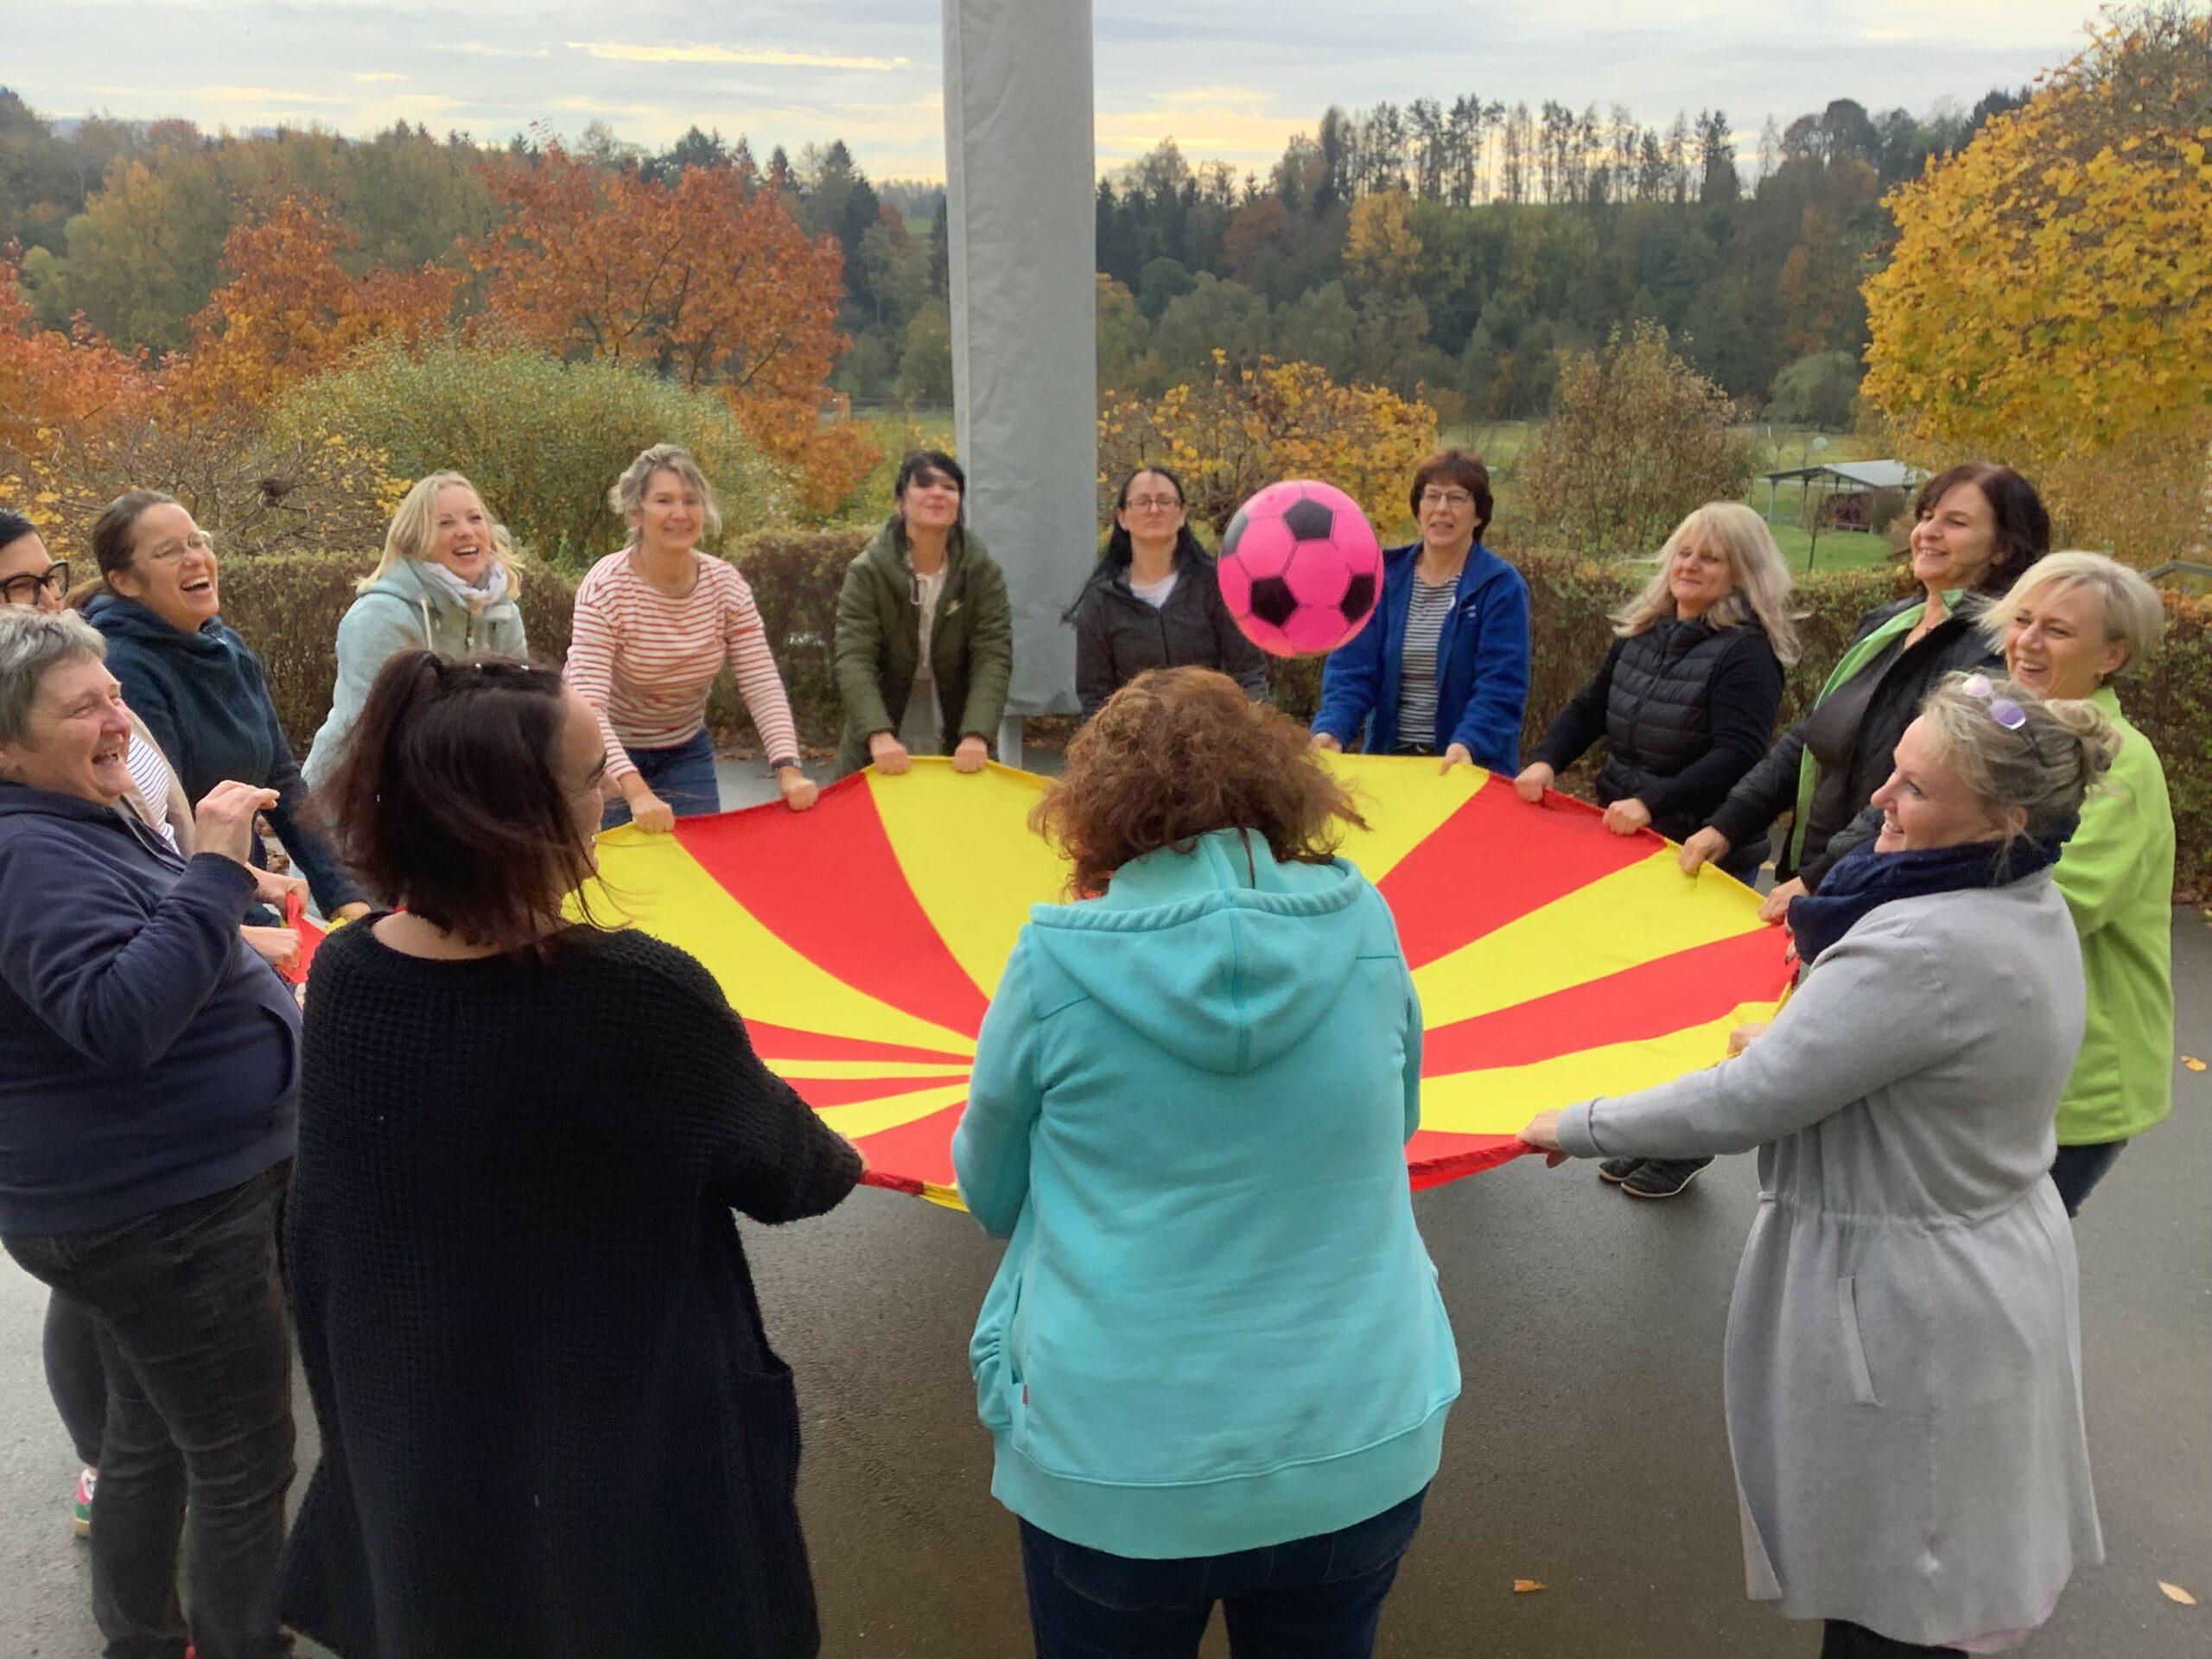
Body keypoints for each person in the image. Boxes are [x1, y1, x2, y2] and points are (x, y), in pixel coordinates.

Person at [275, 651, 864, 1658]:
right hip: (620, 1472)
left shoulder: (345, 978)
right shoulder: (640, 994)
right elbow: (800, 1175)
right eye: (597, 776)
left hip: (428, 1468)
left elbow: (325, 1240)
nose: (615, 796)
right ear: (520, 819)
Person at [1522, 672, 2113, 1658]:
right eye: (1894, 770)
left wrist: (1574, 1122)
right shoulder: (2016, 894)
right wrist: (1807, 1039)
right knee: (1931, 1552)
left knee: (1898, 1577)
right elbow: (1915, 1048)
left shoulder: (1920, 942)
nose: (1881, 796)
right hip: (1980, 1259)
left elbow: (1746, 1103)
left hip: (1911, 1299)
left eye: (1915, 788)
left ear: (2004, 816)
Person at [955, 666, 1458, 1659]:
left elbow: (991, 1192)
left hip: (1115, 1464)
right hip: (1360, 1435)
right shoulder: (1365, 922)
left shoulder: (1054, 961)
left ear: (1095, 814)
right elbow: (1396, 1122)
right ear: (1279, 785)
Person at [0, 606, 301, 1659]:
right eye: (83, 708)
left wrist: (229, 908)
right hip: (161, 1212)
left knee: (152, 1433)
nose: (119, 720)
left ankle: (140, 1637)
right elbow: (119, 1018)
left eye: (116, 694)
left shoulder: (66, 815)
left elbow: (137, 941)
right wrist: (213, 868)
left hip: (152, 1201)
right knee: (242, 1460)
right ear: (7, 748)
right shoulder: (25, 849)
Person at [1516, 502, 1799, 1198]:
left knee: (1695, 1008)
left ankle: (1684, 1145)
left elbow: (1739, 755)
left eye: (1710, 557)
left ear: (1742, 573)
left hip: (1699, 854)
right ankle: (1644, 1126)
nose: (1689, 566)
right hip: (1628, 845)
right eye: (1684, 552)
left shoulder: (1746, 654)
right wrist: (1547, 759)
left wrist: (1656, 800)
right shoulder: (1644, 634)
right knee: (1637, 998)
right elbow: (1589, 707)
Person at [1680, 462, 2048, 919]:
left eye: (1955, 522)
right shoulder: (1887, 626)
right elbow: (1811, 735)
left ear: (2002, 549)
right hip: (1818, 869)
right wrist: (1729, 822)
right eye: (1926, 516)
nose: (1928, 532)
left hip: (1884, 892)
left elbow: (1925, 782)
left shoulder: (1994, 655)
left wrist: (1822, 876)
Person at [78, 490, 368, 923]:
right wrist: (258, 923)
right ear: (125, 582)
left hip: (247, 888)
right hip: (192, 905)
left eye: (197, 542)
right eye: (169, 552)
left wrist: (345, 899)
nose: (195, 558)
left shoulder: (225, 645)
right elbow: (168, 830)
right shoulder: (125, 668)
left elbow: (281, 782)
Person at [1988, 552, 2175, 1215]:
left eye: (2058, 630)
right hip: (2002, 1060)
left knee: (2002, 1261)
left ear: (2111, 656)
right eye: (2023, 620)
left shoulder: (2121, 762)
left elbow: (2053, 907)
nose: (2027, 642)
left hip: (2075, 1081)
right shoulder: (2006, 721)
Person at [566, 443, 817, 830]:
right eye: (664, 500)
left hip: (684, 748)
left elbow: (761, 681)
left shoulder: (725, 585)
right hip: (604, 752)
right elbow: (588, 703)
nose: (680, 513)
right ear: (636, 512)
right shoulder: (605, 589)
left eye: (691, 500)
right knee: (616, 863)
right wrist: (636, 792)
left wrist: (788, 769)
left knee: (701, 856)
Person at [301, 470, 528, 786]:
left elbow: (518, 711)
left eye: (475, 518)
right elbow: (379, 734)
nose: (466, 532)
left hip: (461, 786)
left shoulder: (502, 611)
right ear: (414, 540)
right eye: (445, 523)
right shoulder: (378, 616)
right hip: (361, 789)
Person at [1310, 449, 1529, 773]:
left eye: (1457, 498)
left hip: (1468, 769)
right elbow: (1353, 671)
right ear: (1418, 507)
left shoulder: (1500, 586)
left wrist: (1469, 742)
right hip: (1391, 765)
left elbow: (1500, 686)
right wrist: (1333, 728)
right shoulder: (1384, 578)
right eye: (1432, 496)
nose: (1442, 508)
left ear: (1479, 514)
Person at [834, 449, 1014, 777]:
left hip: (960, 732)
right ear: (900, 503)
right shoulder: (867, 571)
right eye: (924, 484)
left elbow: (992, 657)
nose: (937, 493)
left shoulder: (983, 572)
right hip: (881, 732)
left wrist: (977, 734)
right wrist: (877, 733)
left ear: (959, 504)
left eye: (949, 487)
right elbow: (855, 658)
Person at [1070, 464, 1269, 718]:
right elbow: (1094, 698)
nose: (1154, 510)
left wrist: (1252, 725)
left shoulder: (1216, 584)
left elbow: (1249, 672)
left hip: (1214, 732)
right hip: (1134, 737)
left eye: (1165, 501)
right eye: (1142, 502)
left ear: (1182, 513)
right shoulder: (1101, 600)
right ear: (1122, 517)